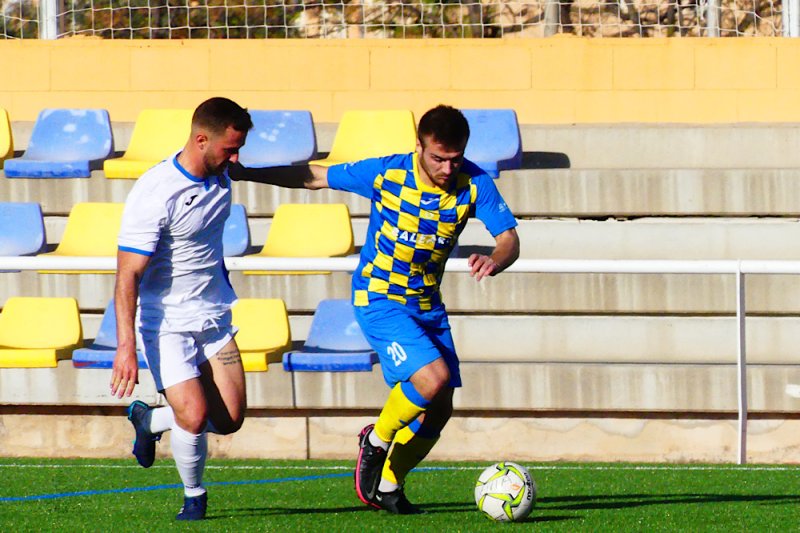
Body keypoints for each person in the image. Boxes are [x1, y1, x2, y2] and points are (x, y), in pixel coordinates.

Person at [230, 104, 520, 514]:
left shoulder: (474, 183)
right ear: (418, 146)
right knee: (432, 378)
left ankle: (389, 486)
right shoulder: (387, 173)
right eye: (438, 158)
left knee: (438, 410)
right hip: (380, 297)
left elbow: (509, 238)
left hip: (427, 306)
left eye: (454, 159)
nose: (446, 168)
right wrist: (247, 172)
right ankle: (377, 438)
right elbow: (313, 176)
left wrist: (496, 257)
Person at [110, 97, 253, 521]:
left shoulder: (221, 174)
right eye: (230, 149)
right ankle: (194, 496)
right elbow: (127, 276)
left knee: (228, 420)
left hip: (213, 317)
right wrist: (125, 346)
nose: (236, 158)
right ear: (201, 139)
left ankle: (150, 421)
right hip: (167, 321)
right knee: (192, 414)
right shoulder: (156, 193)